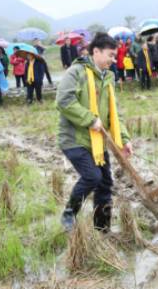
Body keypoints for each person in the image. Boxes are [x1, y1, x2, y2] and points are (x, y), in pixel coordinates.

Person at [56, 32, 132, 233]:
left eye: (115, 56)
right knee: (92, 177)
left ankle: (102, 228)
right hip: (73, 139)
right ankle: (69, 213)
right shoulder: (76, 72)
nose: (113, 60)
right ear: (96, 51)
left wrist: (124, 139)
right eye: (110, 55)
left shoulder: (109, 77)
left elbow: (114, 111)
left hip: (96, 141)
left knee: (105, 183)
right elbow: (64, 101)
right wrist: (90, 120)